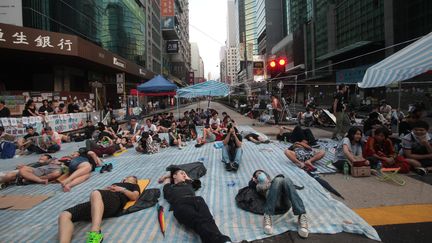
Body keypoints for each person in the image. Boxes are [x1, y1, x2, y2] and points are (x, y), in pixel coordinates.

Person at [58, 176, 140, 243]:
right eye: (128, 177)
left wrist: (122, 189)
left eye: (133, 178)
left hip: (115, 201)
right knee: (65, 214)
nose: (129, 178)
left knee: (95, 192)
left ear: (135, 181)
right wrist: (107, 189)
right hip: (98, 203)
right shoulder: (115, 184)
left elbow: (135, 196)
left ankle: (95, 232)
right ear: (123, 179)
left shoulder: (134, 186)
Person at [158, 168, 231, 243]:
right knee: (198, 221)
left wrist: (185, 176)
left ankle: (223, 241)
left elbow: (195, 183)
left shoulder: (188, 183)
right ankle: (224, 241)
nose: (184, 175)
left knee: (209, 220)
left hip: (197, 200)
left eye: (184, 173)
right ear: (174, 176)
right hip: (181, 203)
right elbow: (166, 181)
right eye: (181, 173)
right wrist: (165, 176)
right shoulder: (170, 187)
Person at [249, 170, 309, 238]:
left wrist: (272, 181)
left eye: (260, 173)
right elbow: (253, 186)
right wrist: (254, 181)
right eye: (257, 175)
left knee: (286, 180)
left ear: (266, 175)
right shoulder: (259, 186)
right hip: (275, 204)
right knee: (279, 179)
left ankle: (301, 215)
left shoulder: (273, 181)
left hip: (286, 203)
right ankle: (267, 215)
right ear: (256, 178)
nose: (259, 175)